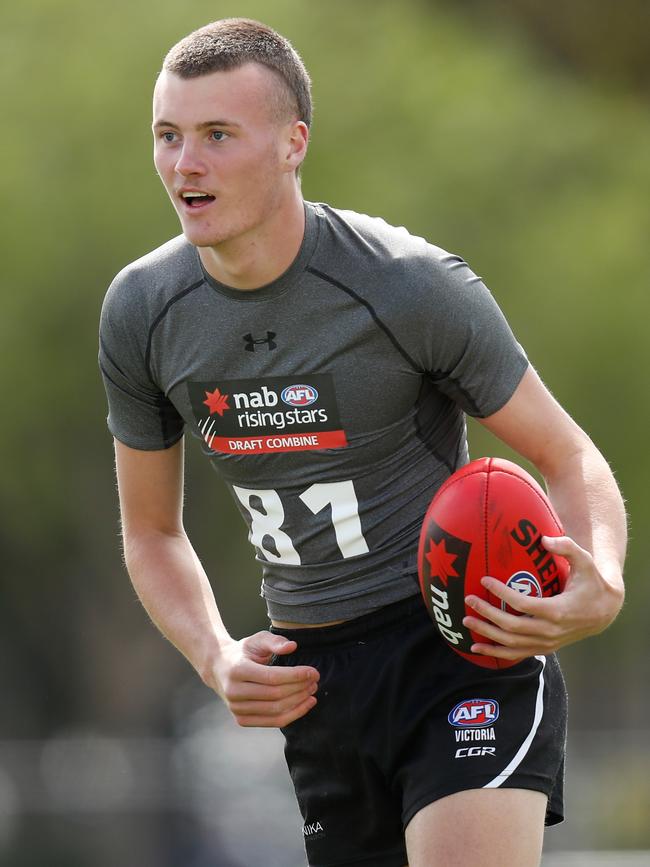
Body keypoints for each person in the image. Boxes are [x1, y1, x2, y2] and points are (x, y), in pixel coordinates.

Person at [99, 18, 626, 867]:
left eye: (216, 135)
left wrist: (601, 579)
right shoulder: (141, 313)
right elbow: (150, 531)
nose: (183, 164)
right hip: (318, 679)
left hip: (458, 643)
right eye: (168, 135)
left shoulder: (408, 286)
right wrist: (213, 653)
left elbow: (568, 456)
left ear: (291, 143)